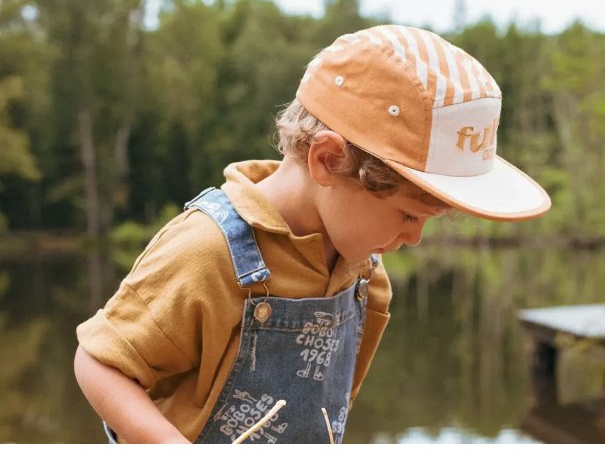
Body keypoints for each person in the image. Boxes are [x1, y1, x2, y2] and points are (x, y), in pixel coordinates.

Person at [74, 24, 551, 444]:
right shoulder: (208, 252)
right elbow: (101, 363)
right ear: (328, 160)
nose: (415, 239)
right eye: (408, 215)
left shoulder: (366, 276)